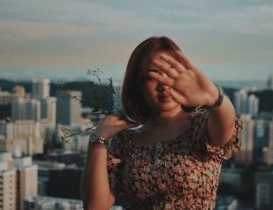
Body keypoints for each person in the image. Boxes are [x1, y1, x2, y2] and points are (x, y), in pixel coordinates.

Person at [80, 36, 242, 210]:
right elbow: (95, 206)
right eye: (153, 75)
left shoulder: (201, 126)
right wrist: (98, 140)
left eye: (172, 73)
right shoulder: (125, 141)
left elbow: (226, 123)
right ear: (138, 85)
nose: (164, 84)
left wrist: (214, 98)